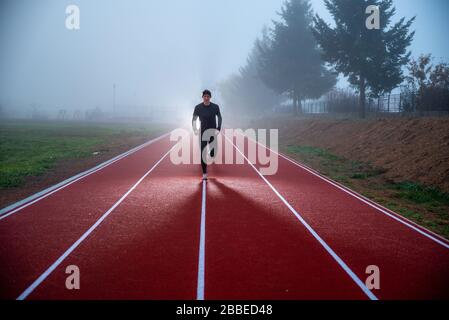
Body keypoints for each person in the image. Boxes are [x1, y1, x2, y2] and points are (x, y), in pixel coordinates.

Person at [192, 89, 222, 180]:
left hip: (212, 132)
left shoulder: (215, 107)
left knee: (213, 153)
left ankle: (211, 153)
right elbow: (194, 119)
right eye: (204, 96)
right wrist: (195, 129)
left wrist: (218, 128)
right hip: (203, 133)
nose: (206, 98)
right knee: (203, 153)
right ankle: (204, 173)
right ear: (202, 97)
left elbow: (219, 117)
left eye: (208, 96)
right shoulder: (198, 107)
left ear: (210, 97)